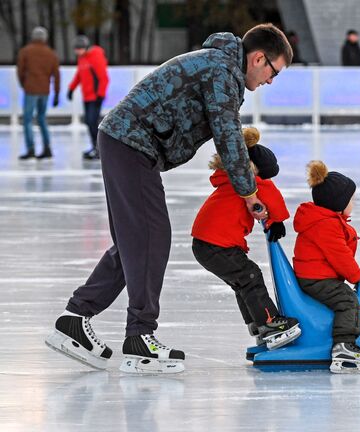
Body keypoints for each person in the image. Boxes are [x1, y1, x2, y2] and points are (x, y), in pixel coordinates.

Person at [45, 24, 293, 374]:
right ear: (258, 58)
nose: (271, 80)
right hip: (131, 144)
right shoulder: (222, 71)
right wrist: (249, 192)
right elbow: (228, 136)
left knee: (134, 243)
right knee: (150, 239)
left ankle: (75, 319)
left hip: (124, 142)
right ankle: (140, 338)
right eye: (273, 71)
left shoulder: (218, 65)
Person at [191, 127, 301, 350]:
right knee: (250, 277)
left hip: (204, 244)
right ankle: (269, 323)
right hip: (217, 244)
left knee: (241, 282)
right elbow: (272, 197)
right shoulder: (250, 181)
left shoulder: (230, 179)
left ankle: (256, 322)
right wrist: (277, 220)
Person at [293, 161, 360, 374]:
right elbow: (340, 256)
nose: (353, 204)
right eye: (351, 200)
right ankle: (344, 345)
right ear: (339, 202)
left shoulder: (324, 220)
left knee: (345, 297)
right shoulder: (326, 225)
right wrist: (356, 275)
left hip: (314, 274)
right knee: (347, 301)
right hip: (316, 278)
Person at [16, 26, 60, 160]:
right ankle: (47, 147)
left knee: (28, 120)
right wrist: (56, 92)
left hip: (30, 90)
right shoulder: (51, 53)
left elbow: (20, 71)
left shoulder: (25, 51)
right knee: (41, 119)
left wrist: (24, 84)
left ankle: (31, 149)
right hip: (45, 91)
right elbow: (56, 75)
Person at [67, 35, 109, 160]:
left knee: (92, 122)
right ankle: (95, 147)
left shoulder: (96, 57)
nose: (77, 52)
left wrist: (100, 95)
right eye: (76, 49)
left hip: (95, 96)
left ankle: (100, 150)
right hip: (87, 97)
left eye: (79, 49)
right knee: (89, 123)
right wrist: (71, 88)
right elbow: (79, 75)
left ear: (85, 47)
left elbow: (104, 78)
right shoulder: (82, 58)